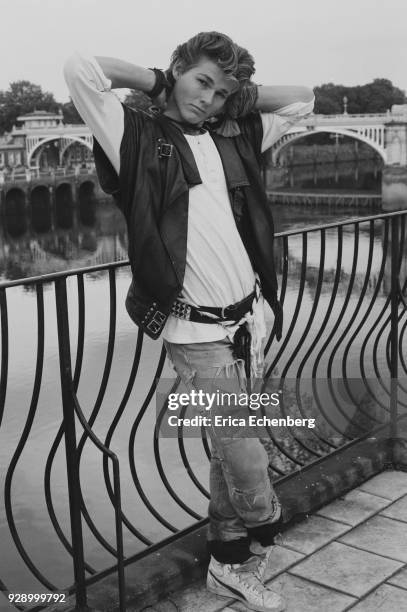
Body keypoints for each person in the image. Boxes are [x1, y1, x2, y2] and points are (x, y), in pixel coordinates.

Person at [64, 31, 314, 612]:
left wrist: (238, 99)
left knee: (230, 450)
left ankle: (229, 567)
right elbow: (81, 68)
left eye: (222, 92)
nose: (209, 98)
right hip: (195, 332)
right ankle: (266, 526)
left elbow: (303, 99)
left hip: (252, 320)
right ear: (177, 69)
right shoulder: (135, 135)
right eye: (201, 81)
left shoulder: (237, 134)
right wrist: (158, 84)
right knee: (245, 453)